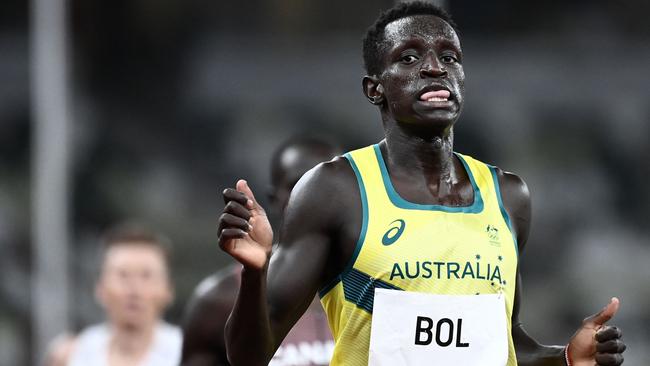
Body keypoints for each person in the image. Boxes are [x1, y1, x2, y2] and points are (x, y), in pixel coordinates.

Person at [217, 2, 626, 365]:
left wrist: (568, 357)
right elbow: (249, 357)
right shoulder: (335, 190)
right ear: (375, 89)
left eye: (449, 57)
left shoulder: (508, 197)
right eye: (409, 57)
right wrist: (255, 274)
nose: (435, 67)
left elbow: (504, 343)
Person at [181, 137, 341, 366]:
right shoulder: (219, 300)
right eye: (299, 184)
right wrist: (254, 275)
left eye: (325, 184)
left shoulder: (383, 282)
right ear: (274, 199)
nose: (312, 196)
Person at [61, 224, 182, 366]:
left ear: (168, 289)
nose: (134, 290)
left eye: (146, 276)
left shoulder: (188, 354)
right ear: (100, 287)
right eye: (122, 275)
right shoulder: (77, 355)